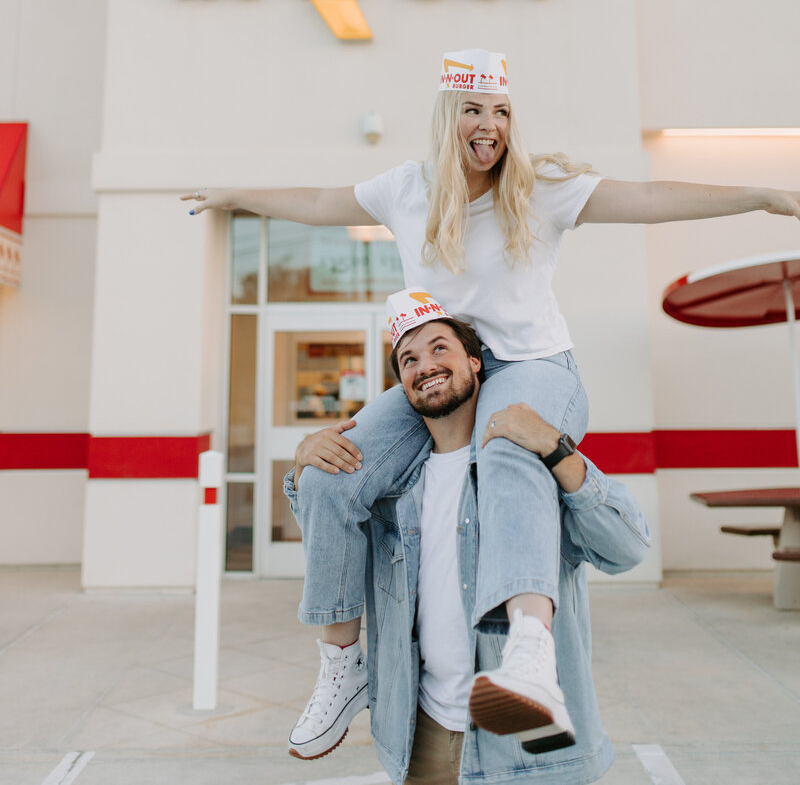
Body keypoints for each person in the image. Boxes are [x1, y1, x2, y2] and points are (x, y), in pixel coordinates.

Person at [183, 47, 800, 759]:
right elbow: (321, 204)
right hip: (450, 365)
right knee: (329, 473)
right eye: (475, 110)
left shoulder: (540, 188)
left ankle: (529, 654)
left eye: (502, 112)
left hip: (533, 366)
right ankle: (340, 660)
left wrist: (761, 195)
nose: (490, 127)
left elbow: (652, 199)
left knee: (505, 449)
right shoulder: (406, 189)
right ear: (450, 116)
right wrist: (234, 194)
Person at [286, 292, 652, 784]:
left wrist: (556, 449)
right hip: (422, 737)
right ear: (402, 387)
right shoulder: (393, 495)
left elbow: (627, 548)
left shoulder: (529, 472)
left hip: (530, 753)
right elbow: (330, 543)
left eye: (440, 349)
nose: (425, 366)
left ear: (476, 363)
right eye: (409, 359)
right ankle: (340, 668)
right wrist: (306, 466)